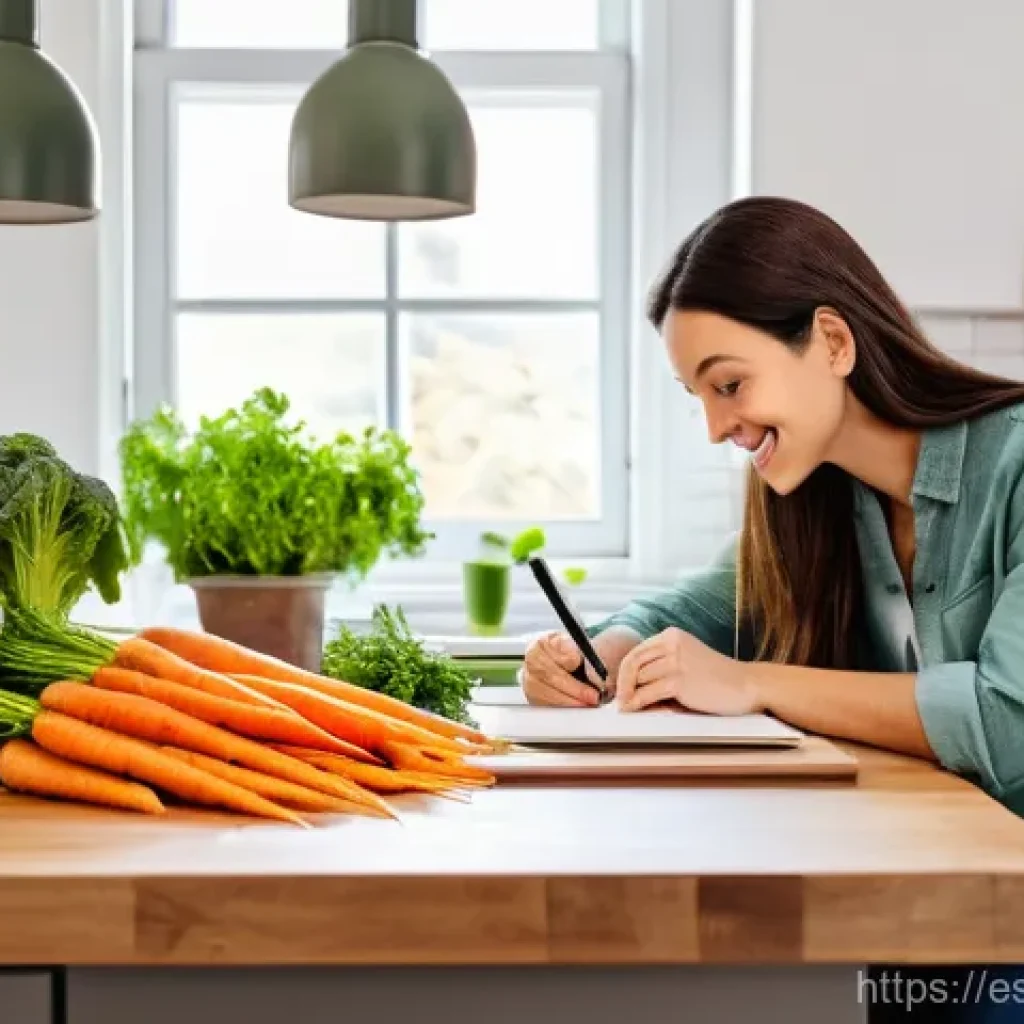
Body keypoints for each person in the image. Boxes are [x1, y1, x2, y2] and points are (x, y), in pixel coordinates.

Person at [520, 195, 1024, 1022]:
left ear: (832, 342)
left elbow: (1007, 718)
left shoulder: (1017, 463)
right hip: (922, 903)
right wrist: (596, 652)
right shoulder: (820, 503)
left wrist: (753, 681)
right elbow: (689, 608)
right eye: (698, 396)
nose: (716, 427)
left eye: (730, 384)